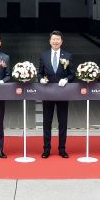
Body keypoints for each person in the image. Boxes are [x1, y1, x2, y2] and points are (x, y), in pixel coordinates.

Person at [37, 30, 73, 158]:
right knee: (47, 122)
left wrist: (66, 79)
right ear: (50, 41)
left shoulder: (67, 55)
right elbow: (39, 73)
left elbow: (72, 74)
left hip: (63, 93)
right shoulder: (44, 55)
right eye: (53, 39)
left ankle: (62, 149)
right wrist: (40, 79)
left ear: (61, 41)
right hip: (48, 93)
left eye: (58, 39)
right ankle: (46, 148)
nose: (55, 41)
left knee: (62, 122)